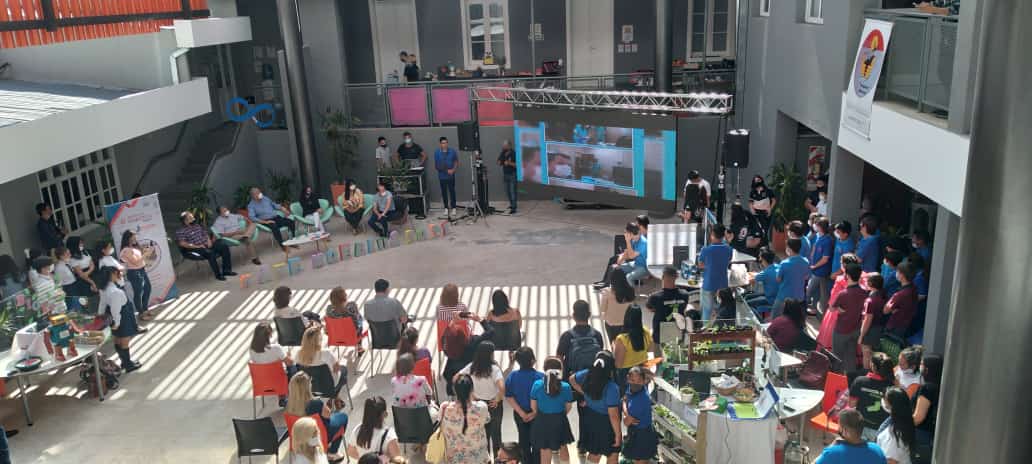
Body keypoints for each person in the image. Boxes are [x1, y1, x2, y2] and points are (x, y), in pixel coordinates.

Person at [569, 351, 621, 464]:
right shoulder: (612, 388)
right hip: (606, 424)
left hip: (590, 419)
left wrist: (586, 394)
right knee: (612, 454)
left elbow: (572, 379)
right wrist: (618, 435)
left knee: (594, 453)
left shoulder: (587, 374)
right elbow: (614, 416)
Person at [286, 372, 349, 459]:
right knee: (343, 416)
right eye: (310, 383)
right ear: (307, 387)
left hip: (299, 440)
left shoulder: (288, 405)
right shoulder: (316, 403)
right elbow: (328, 415)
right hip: (319, 438)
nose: (311, 384)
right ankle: (332, 452)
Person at [458, 341, 505, 456]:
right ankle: (498, 459)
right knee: (496, 434)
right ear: (490, 354)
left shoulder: (471, 367)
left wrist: (470, 394)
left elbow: (456, 377)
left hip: (478, 404)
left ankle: (486, 458)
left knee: (483, 434)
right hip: (493, 405)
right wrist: (498, 399)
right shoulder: (494, 369)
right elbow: (502, 387)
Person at [529, 357, 575, 464]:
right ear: (560, 370)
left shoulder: (537, 385)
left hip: (542, 420)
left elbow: (533, 406)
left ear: (544, 369)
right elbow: (568, 406)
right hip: (560, 419)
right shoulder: (566, 386)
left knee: (545, 450)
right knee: (563, 446)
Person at [97, 266, 142, 372]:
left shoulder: (104, 288)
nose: (119, 274)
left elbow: (102, 303)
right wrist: (117, 322)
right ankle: (128, 365)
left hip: (112, 314)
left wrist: (100, 315)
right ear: (111, 275)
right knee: (124, 340)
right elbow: (116, 310)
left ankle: (125, 362)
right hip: (122, 314)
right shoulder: (115, 292)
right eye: (117, 273)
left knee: (117, 338)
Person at [441, 373, 491, 464]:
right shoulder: (481, 407)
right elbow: (487, 420)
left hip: (454, 459)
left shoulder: (445, 408)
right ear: (472, 389)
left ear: (454, 390)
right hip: (478, 458)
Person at [505, 347, 544, 464]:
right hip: (538, 414)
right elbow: (544, 398)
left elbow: (509, 396)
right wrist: (534, 413)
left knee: (523, 441)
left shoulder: (512, 376)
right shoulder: (541, 377)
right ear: (533, 360)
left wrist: (521, 413)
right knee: (538, 442)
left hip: (520, 414)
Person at [442, 312, 495, 396]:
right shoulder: (473, 343)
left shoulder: (447, 346)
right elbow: (491, 331)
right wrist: (480, 320)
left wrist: (453, 321)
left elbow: (447, 335)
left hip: (454, 377)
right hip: (471, 376)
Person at [645, 266, 693, 352]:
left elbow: (649, 309)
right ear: (676, 277)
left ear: (662, 277)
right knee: (676, 357)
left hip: (660, 333)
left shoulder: (655, 297)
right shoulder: (685, 295)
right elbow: (684, 307)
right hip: (678, 330)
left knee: (659, 360)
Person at [175, 211, 235, 281]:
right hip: (196, 248)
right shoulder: (180, 231)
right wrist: (197, 246)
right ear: (185, 221)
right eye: (191, 218)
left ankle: (226, 270)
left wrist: (208, 240)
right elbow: (182, 243)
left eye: (192, 217)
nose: (193, 219)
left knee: (224, 246)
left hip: (206, 244)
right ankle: (218, 275)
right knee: (210, 253)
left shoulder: (197, 226)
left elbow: (205, 234)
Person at [814, 409, 887, 464]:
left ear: (844, 430)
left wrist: (831, 446)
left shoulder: (832, 453)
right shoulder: (877, 450)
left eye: (839, 426)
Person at [831, 263, 866, 372]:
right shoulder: (864, 292)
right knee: (851, 356)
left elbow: (832, 308)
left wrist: (838, 309)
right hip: (855, 329)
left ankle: (836, 379)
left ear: (847, 275)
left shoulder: (843, 294)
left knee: (837, 358)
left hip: (841, 330)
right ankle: (850, 380)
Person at [556, 300, 605, 377]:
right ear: (589, 315)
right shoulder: (597, 335)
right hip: (593, 378)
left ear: (573, 316)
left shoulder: (567, 336)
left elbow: (559, 360)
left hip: (572, 377)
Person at [849, 352, 895, 433]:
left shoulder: (859, 381)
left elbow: (851, 404)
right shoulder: (892, 385)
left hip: (860, 428)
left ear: (873, 366)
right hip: (882, 430)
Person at [621, 366, 658, 464]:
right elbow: (625, 399)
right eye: (632, 380)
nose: (635, 383)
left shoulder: (639, 401)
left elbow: (626, 422)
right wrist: (627, 414)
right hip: (637, 432)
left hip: (642, 436)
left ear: (644, 381)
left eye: (638, 381)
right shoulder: (634, 389)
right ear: (628, 378)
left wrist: (626, 416)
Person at [297, 327, 347, 397]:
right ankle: (335, 396)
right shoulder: (326, 353)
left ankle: (335, 398)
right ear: (319, 339)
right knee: (344, 369)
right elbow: (337, 369)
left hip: (309, 388)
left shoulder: (299, 354)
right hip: (328, 388)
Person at [347, 397, 400, 461]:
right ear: (385, 414)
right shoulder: (389, 435)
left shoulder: (358, 429)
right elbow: (398, 460)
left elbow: (350, 451)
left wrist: (366, 460)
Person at [698, 224, 732, 322]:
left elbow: (700, 265)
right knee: (721, 310)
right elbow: (728, 261)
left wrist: (709, 266)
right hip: (722, 285)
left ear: (712, 234)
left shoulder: (706, 250)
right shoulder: (729, 249)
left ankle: (705, 333)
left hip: (709, 284)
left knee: (706, 311)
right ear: (723, 235)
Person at [614, 305, 651, 391]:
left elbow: (618, 365)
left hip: (627, 373)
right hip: (642, 370)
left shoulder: (622, 339)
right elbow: (649, 350)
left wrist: (614, 348)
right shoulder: (646, 332)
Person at [247, 187, 297, 252]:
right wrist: (265, 222)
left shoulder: (265, 198)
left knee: (290, 222)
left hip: (276, 217)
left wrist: (283, 209)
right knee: (274, 227)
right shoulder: (251, 205)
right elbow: (252, 217)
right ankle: (282, 245)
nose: (260, 193)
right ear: (253, 196)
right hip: (265, 221)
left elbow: (274, 205)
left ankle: (292, 240)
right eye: (258, 193)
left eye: (260, 192)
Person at [119, 230, 154, 321]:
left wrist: (147, 252)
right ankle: (141, 313)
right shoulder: (126, 250)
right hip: (134, 272)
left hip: (141, 270)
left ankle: (145, 309)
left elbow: (141, 258)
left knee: (147, 288)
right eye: (133, 237)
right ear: (128, 238)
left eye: (135, 237)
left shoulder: (134, 247)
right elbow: (135, 261)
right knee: (138, 293)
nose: (135, 239)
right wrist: (146, 254)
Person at [773, 238, 811, 318]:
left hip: (784, 297)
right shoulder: (806, 261)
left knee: (775, 318)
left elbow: (778, 279)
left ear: (789, 249)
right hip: (799, 298)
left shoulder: (784, 263)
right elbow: (806, 277)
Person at [877, 387, 916, 464]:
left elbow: (890, 461)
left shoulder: (894, 436)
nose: (883, 403)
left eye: (886, 401)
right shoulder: (905, 423)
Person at [858, 274, 888, 371]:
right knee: (874, 354)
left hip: (871, 330)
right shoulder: (884, 296)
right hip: (880, 329)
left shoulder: (870, 301)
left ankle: (867, 373)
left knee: (867, 354)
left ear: (870, 283)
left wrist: (861, 335)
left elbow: (867, 319)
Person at [912, 353, 941, 447]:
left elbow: (918, 417)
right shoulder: (938, 386)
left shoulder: (927, 388)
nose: (920, 367)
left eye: (922, 364)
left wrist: (902, 426)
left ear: (927, 369)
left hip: (920, 434)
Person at [883, 262, 919, 338]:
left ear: (902, 275)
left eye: (897, 272)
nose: (896, 273)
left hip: (895, 327)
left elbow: (885, 310)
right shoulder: (914, 289)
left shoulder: (900, 294)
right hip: (907, 324)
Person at [598, 268, 634, 342]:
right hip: (627, 323)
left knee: (614, 344)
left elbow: (602, 309)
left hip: (611, 324)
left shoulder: (606, 292)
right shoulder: (631, 291)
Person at [808, 217, 834, 315]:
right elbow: (815, 248)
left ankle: (821, 312)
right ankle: (815, 309)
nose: (814, 226)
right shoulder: (819, 236)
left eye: (816, 224)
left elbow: (825, 259)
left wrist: (814, 266)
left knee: (810, 291)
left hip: (820, 271)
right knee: (817, 292)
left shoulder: (827, 241)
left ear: (820, 227)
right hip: (816, 270)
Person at [746, 249, 779, 318]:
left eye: (760, 257)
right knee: (748, 296)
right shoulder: (778, 266)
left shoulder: (765, 273)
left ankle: (758, 320)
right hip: (777, 296)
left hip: (771, 299)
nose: (759, 258)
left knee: (747, 304)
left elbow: (749, 281)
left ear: (763, 260)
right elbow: (759, 275)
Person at [63, 237, 98, 302]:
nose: (82, 245)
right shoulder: (72, 259)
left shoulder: (85, 252)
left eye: (82, 243)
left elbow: (92, 264)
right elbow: (80, 274)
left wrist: (88, 272)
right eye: (80, 244)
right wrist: (92, 282)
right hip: (84, 281)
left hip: (91, 274)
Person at [434, 137, 460, 217]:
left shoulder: (452, 151)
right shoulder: (437, 153)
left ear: (447, 143)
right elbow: (437, 166)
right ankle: (446, 207)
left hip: (451, 176)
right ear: (440, 144)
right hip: (442, 176)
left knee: (452, 191)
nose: (444, 144)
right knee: (444, 192)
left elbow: (456, 162)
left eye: (445, 142)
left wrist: (453, 170)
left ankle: (454, 207)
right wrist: (446, 170)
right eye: (442, 143)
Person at [498, 139, 518, 214]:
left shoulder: (514, 153)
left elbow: (517, 165)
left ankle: (514, 207)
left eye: (505, 145)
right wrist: (500, 162)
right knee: (507, 191)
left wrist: (509, 163)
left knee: (513, 191)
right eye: (503, 145)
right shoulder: (503, 152)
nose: (503, 146)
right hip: (505, 174)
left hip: (512, 174)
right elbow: (498, 161)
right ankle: (511, 204)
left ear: (509, 146)